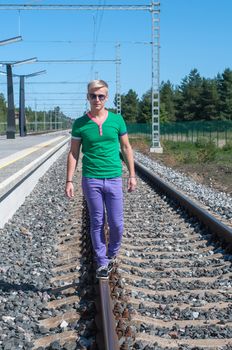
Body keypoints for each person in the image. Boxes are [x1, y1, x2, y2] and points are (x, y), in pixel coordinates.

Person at [65, 79, 136, 278]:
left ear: (106, 97)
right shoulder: (80, 124)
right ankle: (102, 262)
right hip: (91, 179)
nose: (97, 99)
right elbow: (73, 153)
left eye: (101, 96)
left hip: (114, 177)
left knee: (116, 224)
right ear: (87, 97)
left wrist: (132, 174)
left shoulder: (117, 120)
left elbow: (126, 148)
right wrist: (69, 180)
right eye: (93, 96)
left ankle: (112, 254)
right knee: (97, 222)